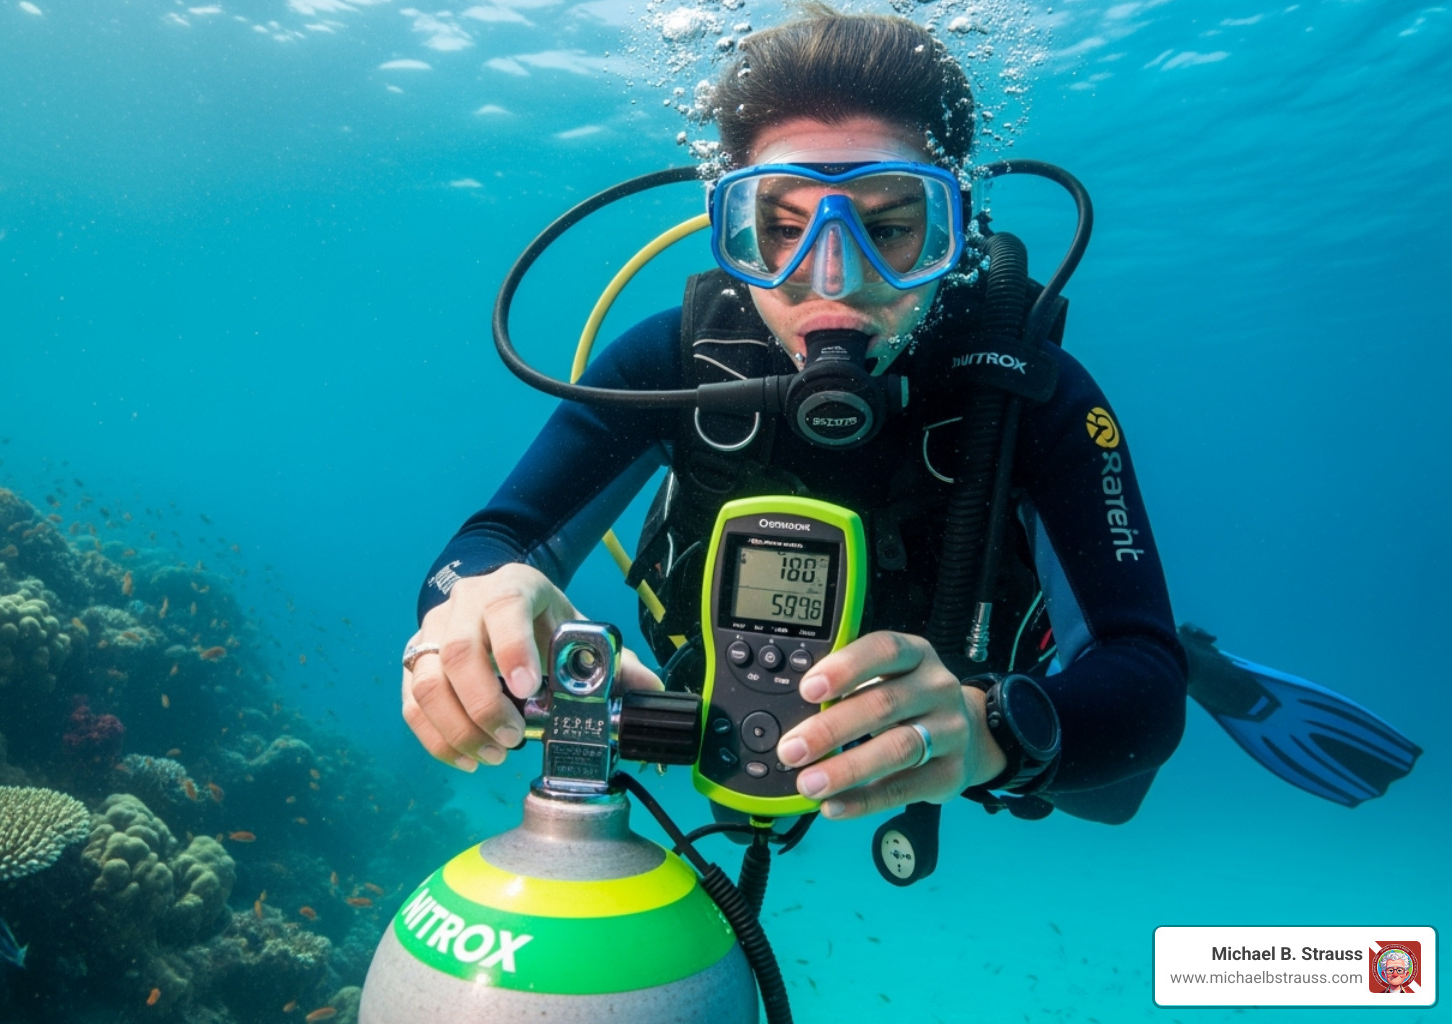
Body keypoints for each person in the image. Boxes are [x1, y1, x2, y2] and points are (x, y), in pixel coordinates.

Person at [401, 6, 1189, 826]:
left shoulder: (1030, 389)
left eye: (889, 228)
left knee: (1109, 790)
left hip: (976, 691)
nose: (836, 280)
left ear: (952, 230)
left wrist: (994, 732)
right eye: (780, 230)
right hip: (723, 710)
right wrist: (478, 603)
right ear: (730, 230)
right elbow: (492, 542)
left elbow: (1145, 679)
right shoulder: (674, 361)